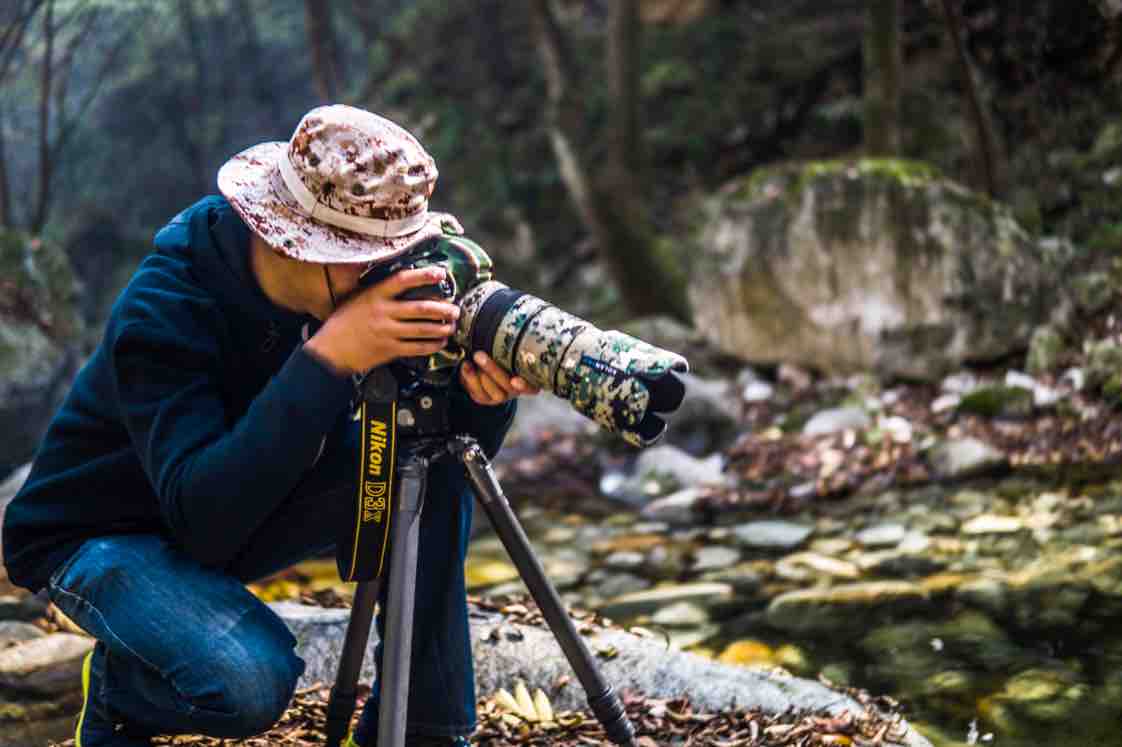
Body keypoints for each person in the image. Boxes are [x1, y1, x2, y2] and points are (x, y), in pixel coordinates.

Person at [1, 104, 539, 746]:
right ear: (295, 242)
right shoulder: (164, 309)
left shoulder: (349, 292)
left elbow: (444, 450)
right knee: (248, 681)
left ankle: (423, 728)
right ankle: (122, 689)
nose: (388, 274)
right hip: (103, 532)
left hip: (243, 500)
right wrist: (328, 358)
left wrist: (482, 396)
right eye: (370, 257)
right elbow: (205, 524)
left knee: (427, 463)